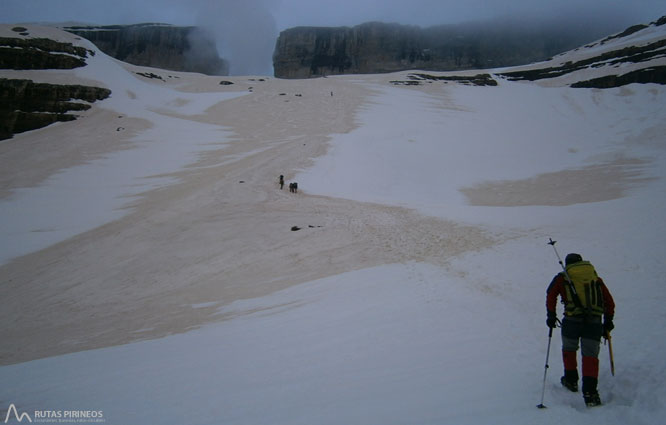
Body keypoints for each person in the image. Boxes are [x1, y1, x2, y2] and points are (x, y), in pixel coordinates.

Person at [546, 253, 615, 407]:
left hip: (571, 320)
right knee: (590, 355)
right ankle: (590, 393)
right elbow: (609, 301)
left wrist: (551, 315)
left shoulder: (563, 277)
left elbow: (550, 295)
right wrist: (608, 321)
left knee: (569, 349)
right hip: (594, 322)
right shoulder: (595, 278)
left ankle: (571, 381)